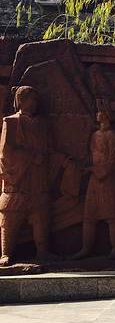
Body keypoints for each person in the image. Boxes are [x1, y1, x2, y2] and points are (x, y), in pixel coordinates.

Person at [0, 87, 57, 265]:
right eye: (32, 99)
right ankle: (5, 253)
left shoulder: (43, 124)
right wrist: (31, 156)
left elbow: (49, 148)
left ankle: (42, 252)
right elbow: (5, 151)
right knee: (11, 215)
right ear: (21, 100)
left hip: (38, 177)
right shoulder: (10, 122)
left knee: (41, 214)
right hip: (18, 178)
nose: (35, 103)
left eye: (36, 100)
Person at [73, 110, 115, 260]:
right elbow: (91, 155)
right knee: (89, 216)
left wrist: (98, 170)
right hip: (94, 179)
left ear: (108, 115)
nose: (98, 113)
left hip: (107, 179)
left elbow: (113, 161)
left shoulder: (112, 136)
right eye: (97, 111)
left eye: (101, 111)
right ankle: (86, 248)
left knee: (112, 216)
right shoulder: (94, 135)